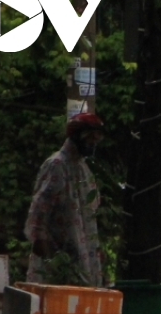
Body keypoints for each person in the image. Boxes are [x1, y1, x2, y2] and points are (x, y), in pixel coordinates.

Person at [24, 112, 105, 286]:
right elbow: (39, 212)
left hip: (84, 258)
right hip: (60, 258)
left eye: (97, 139)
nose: (93, 143)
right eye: (90, 138)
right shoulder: (57, 166)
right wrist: (47, 256)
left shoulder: (84, 168)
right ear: (77, 136)